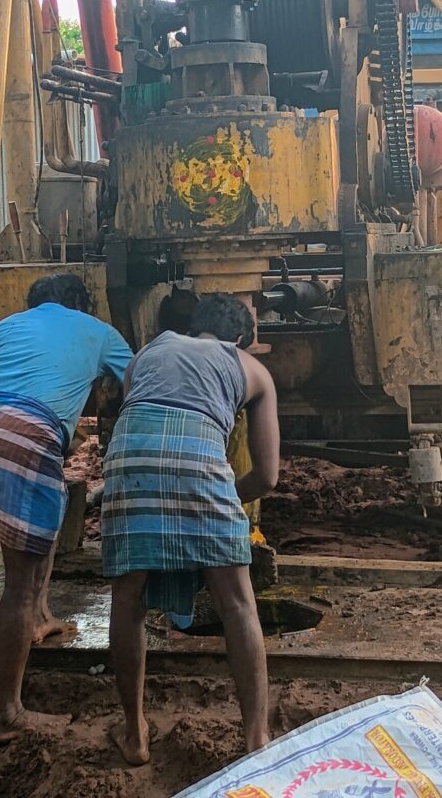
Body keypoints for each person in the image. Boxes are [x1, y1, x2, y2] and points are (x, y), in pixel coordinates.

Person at [101, 294, 280, 766]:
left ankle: (135, 733)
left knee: (128, 600)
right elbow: (268, 476)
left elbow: (137, 412)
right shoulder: (251, 368)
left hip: (127, 460)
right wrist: (218, 498)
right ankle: (256, 738)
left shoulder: (147, 352)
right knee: (238, 603)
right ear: (241, 339)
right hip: (200, 459)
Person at [0, 272, 133, 746]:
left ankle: (40, 615)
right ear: (80, 303)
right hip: (26, 433)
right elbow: (140, 382)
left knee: (45, 518)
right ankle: (6, 713)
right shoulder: (97, 331)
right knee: (19, 576)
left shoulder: (3, 327)